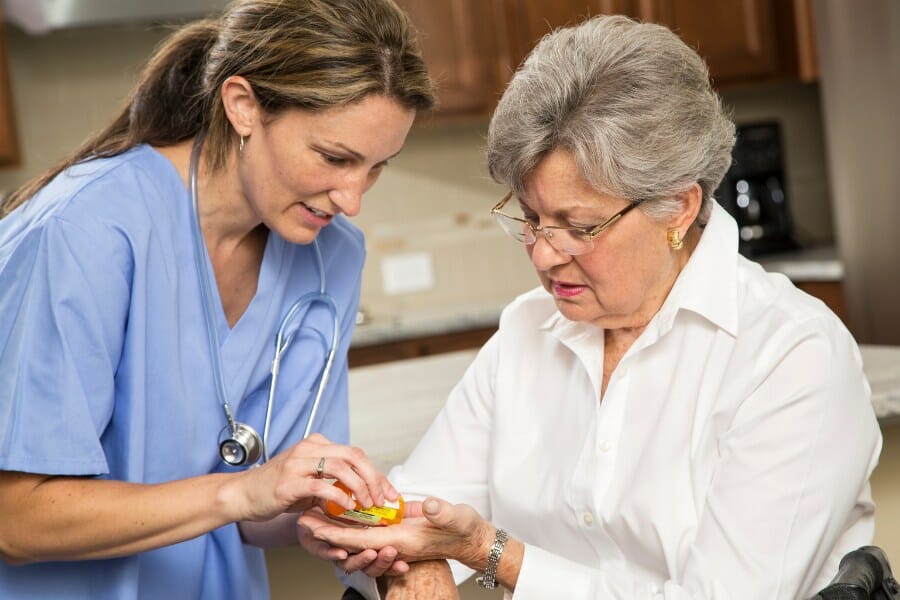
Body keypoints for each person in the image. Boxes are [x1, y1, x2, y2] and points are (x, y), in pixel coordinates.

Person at [300, 14, 884, 599]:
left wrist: (489, 553)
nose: (544, 255)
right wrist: (419, 561)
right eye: (530, 219)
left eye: (579, 226)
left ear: (678, 208)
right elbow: (413, 510)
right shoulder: (527, 333)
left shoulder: (790, 355)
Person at [0, 0, 433, 597]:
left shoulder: (330, 257)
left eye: (377, 167)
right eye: (335, 158)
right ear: (243, 106)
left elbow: (260, 504)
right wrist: (244, 492)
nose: (352, 199)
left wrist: (324, 514)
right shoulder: (84, 232)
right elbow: (16, 519)